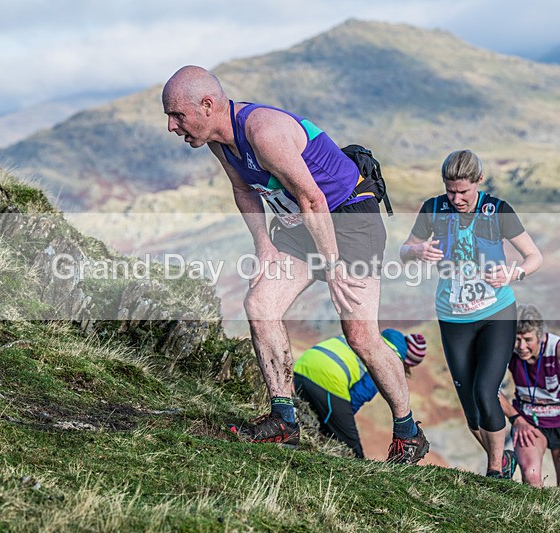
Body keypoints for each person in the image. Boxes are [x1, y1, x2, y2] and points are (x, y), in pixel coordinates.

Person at [162, 65, 429, 464]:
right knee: (260, 304)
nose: (171, 126)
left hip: (349, 220)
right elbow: (242, 189)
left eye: (177, 115)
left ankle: (408, 434)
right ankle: (283, 421)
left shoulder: (264, 132)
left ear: (207, 105)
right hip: (302, 224)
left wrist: (333, 266)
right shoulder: (220, 141)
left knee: (360, 335)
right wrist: (264, 246)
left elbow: (313, 199)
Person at [399, 149, 542, 478]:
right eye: (450, 191)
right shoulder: (433, 209)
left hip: (496, 313)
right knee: (471, 412)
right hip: (453, 319)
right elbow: (404, 251)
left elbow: (534, 257)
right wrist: (416, 250)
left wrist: (513, 273)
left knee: (485, 391)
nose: (456, 199)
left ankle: (494, 473)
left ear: (479, 180)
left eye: (463, 191)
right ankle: (502, 461)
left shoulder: (498, 210)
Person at [294, 329, 428, 458]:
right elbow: (360, 394)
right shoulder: (387, 360)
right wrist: (343, 420)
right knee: (352, 447)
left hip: (301, 368)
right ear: (407, 362)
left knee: (316, 426)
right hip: (327, 380)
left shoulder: (372, 337)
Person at [499, 304, 560, 487]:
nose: (521, 347)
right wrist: (516, 419)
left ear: (540, 336)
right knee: (531, 477)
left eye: (528, 340)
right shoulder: (506, 350)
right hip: (528, 422)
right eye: (517, 340)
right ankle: (535, 507)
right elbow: (489, 389)